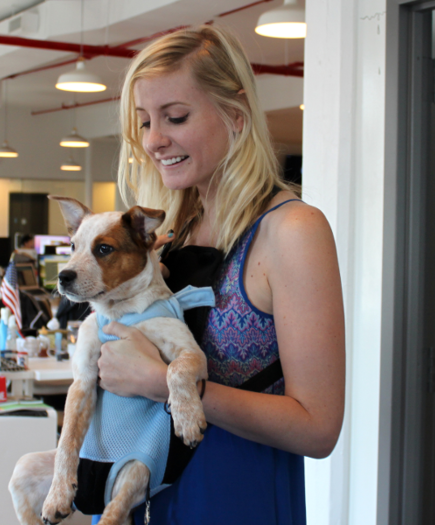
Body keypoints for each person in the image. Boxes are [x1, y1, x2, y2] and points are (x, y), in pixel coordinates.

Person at [95, 25, 345, 524]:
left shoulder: (292, 230)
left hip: (236, 499)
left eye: (176, 117)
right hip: (151, 495)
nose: (155, 140)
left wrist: (168, 385)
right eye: (145, 122)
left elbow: (318, 428)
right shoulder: (173, 229)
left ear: (235, 115)